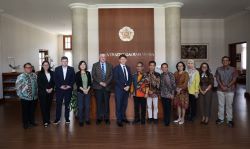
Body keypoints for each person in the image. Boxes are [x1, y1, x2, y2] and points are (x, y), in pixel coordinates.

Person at [215, 56, 238, 127]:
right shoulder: (218, 69)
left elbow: (234, 79)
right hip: (220, 90)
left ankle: (229, 119)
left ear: (229, 62)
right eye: (223, 60)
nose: (225, 61)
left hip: (230, 90)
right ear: (222, 62)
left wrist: (227, 86)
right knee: (221, 105)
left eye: (226, 60)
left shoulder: (233, 69)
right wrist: (221, 86)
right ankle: (221, 118)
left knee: (229, 105)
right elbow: (217, 78)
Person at [92, 53, 113, 125]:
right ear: (99, 57)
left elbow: (111, 76)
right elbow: (93, 75)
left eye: (104, 57)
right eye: (101, 57)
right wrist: (100, 82)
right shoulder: (95, 65)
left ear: (105, 58)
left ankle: (107, 118)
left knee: (106, 104)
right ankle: (99, 118)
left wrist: (106, 83)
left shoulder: (110, 65)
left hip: (107, 87)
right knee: (99, 103)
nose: (103, 58)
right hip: (98, 87)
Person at [53, 56, 75, 125]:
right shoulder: (57, 69)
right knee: (58, 104)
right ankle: (57, 118)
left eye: (66, 61)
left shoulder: (71, 69)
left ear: (67, 62)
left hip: (68, 90)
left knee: (67, 104)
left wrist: (69, 86)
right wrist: (60, 86)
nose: (64, 62)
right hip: (59, 90)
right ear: (61, 62)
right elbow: (55, 79)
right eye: (63, 61)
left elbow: (73, 79)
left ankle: (67, 118)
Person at [16, 63, 38, 129]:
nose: (29, 68)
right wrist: (20, 95)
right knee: (25, 111)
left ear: (31, 68)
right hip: (25, 97)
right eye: (27, 67)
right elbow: (17, 87)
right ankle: (25, 123)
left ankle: (32, 121)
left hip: (34, 97)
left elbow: (37, 85)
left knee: (32, 110)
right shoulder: (21, 76)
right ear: (24, 68)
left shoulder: (34, 75)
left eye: (30, 67)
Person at [113, 54, 132, 127]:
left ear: (126, 60)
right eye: (121, 59)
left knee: (124, 104)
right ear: (119, 60)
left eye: (124, 59)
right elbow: (115, 79)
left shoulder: (128, 67)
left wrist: (128, 86)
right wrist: (123, 87)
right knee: (119, 105)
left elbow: (130, 78)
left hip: (126, 90)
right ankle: (119, 120)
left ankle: (123, 118)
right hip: (119, 90)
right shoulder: (116, 68)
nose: (123, 60)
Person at [37, 61, 54, 127]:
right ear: (42, 66)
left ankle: (48, 120)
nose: (46, 66)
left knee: (48, 107)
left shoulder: (52, 73)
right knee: (43, 107)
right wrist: (46, 89)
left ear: (49, 66)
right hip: (42, 93)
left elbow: (54, 82)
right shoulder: (39, 73)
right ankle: (45, 121)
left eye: (47, 65)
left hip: (50, 92)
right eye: (44, 65)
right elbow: (39, 83)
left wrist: (52, 88)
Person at [75, 61, 92, 127]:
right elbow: (78, 84)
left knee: (87, 107)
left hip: (87, 92)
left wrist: (87, 89)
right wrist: (83, 90)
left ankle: (87, 120)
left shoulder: (88, 73)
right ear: (79, 66)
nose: (83, 65)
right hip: (80, 92)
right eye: (81, 64)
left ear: (85, 66)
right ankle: (81, 120)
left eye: (84, 64)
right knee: (81, 107)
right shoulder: (77, 74)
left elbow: (90, 82)